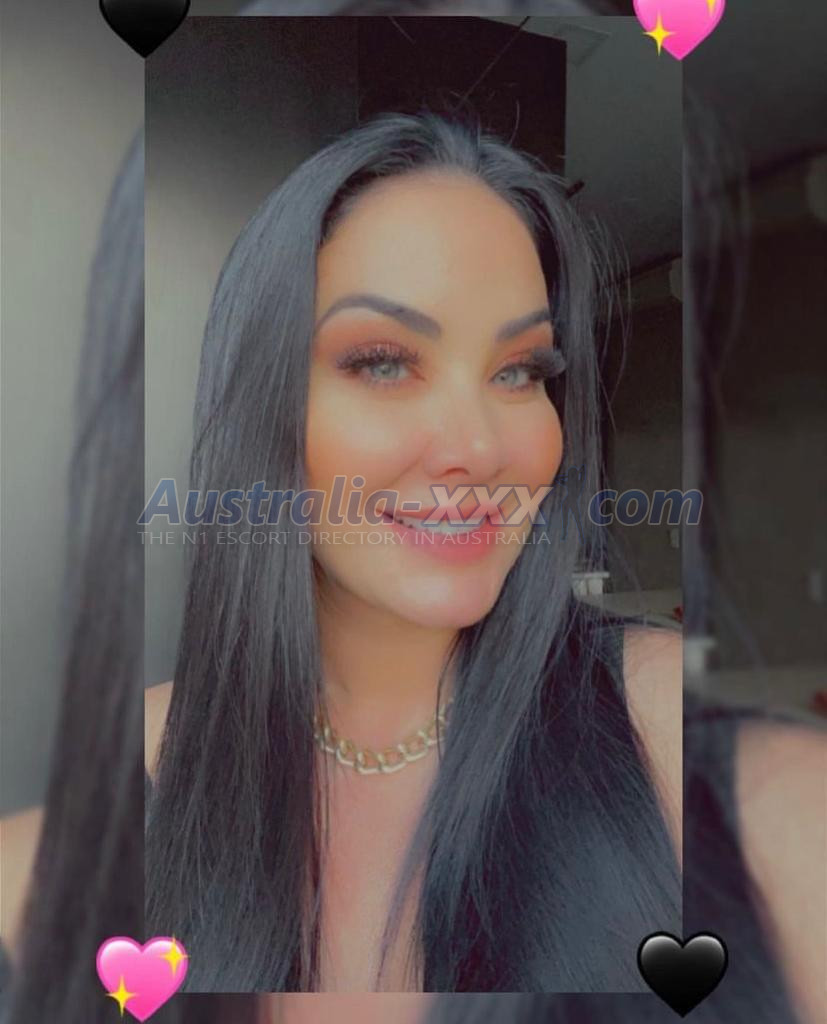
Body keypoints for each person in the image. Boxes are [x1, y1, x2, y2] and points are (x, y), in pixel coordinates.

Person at [144, 111, 683, 993]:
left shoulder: (664, 723)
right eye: (383, 362)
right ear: (264, 404)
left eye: (519, 371)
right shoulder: (144, 757)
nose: (477, 447)